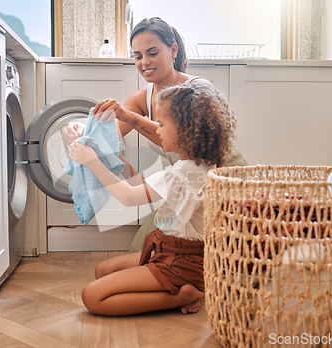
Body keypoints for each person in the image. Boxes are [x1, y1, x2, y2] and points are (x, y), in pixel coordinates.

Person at [62, 16, 246, 251]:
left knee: (220, 245)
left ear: (173, 50)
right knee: (142, 249)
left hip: (221, 174)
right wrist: (82, 133)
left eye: (152, 53)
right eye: (137, 56)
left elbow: (185, 141)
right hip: (182, 181)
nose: (144, 62)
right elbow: (107, 139)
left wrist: (130, 117)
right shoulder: (141, 98)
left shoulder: (198, 90)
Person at [67, 83, 237, 316]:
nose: (156, 130)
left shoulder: (182, 173)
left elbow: (128, 197)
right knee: (103, 271)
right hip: (174, 252)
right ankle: (181, 290)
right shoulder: (196, 167)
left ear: (185, 131)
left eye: (162, 124)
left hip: (182, 262)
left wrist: (91, 162)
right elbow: (142, 188)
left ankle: (182, 294)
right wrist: (120, 161)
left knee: (92, 296)